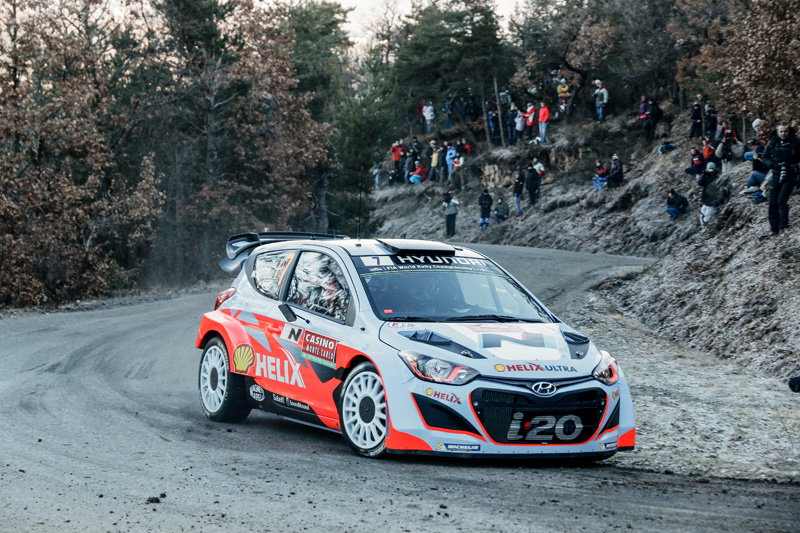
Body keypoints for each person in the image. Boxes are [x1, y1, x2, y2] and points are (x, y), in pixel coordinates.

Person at [756, 123, 800, 235]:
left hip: (790, 174)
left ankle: (783, 225)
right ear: (777, 131)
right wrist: (773, 164)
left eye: (785, 131)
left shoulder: (795, 142)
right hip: (776, 173)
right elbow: (765, 157)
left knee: (782, 200)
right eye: (781, 131)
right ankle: (774, 228)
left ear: (788, 131)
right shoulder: (773, 142)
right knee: (772, 201)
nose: (783, 134)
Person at [697, 161, 725, 226]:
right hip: (706, 199)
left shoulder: (717, 176)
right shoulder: (706, 176)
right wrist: (704, 175)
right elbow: (700, 183)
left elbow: (715, 185)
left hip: (713, 201)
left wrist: (711, 175)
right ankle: (702, 226)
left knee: (708, 216)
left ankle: (706, 227)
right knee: (702, 213)